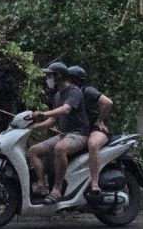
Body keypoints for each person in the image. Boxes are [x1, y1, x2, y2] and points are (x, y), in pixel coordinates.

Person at [27, 62, 90, 204]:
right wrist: (34, 126)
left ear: (59, 76)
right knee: (33, 151)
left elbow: (65, 110)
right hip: (65, 134)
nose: (48, 79)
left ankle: (57, 190)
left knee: (60, 148)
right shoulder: (57, 96)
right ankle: (41, 186)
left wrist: (43, 113)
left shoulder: (75, 92)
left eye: (50, 75)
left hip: (79, 134)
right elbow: (53, 120)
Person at [67, 65, 113, 195]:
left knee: (92, 144)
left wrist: (100, 120)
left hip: (99, 128)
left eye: (69, 79)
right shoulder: (69, 94)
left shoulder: (87, 91)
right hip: (83, 129)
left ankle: (94, 184)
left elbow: (108, 102)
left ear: (76, 80)